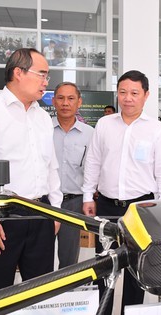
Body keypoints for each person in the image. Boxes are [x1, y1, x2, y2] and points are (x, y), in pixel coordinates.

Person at [0, 48, 63, 290]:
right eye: (42, 75)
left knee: (40, 293)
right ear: (19, 72)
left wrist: (55, 213)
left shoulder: (43, 117)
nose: (46, 82)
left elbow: (51, 167)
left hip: (40, 213)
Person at [82, 70, 161, 315]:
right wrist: (87, 196)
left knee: (136, 270)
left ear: (146, 96)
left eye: (134, 93)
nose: (127, 98)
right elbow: (93, 162)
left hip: (141, 209)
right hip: (107, 207)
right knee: (104, 267)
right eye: (123, 92)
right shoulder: (104, 124)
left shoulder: (156, 129)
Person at [52, 82, 94, 268]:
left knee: (69, 259)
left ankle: (66, 295)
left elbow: (93, 169)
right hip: (44, 202)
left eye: (71, 98)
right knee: (39, 255)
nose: (65, 103)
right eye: (60, 98)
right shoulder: (42, 130)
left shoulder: (90, 134)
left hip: (73, 202)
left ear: (79, 102)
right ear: (53, 101)